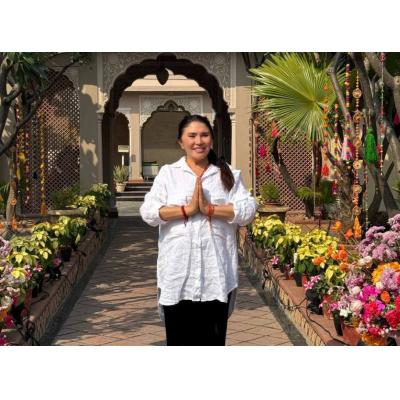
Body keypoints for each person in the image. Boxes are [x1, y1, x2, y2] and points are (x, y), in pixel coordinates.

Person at [139, 114, 258, 346]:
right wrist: (187, 210)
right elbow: (149, 212)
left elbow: (248, 211)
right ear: (180, 142)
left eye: (204, 135)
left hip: (216, 277)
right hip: (177, 276)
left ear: (211, 140)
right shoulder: (168, 174)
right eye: (191, 135)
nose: (198, 141)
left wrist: (210, 209)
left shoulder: (228, 174)